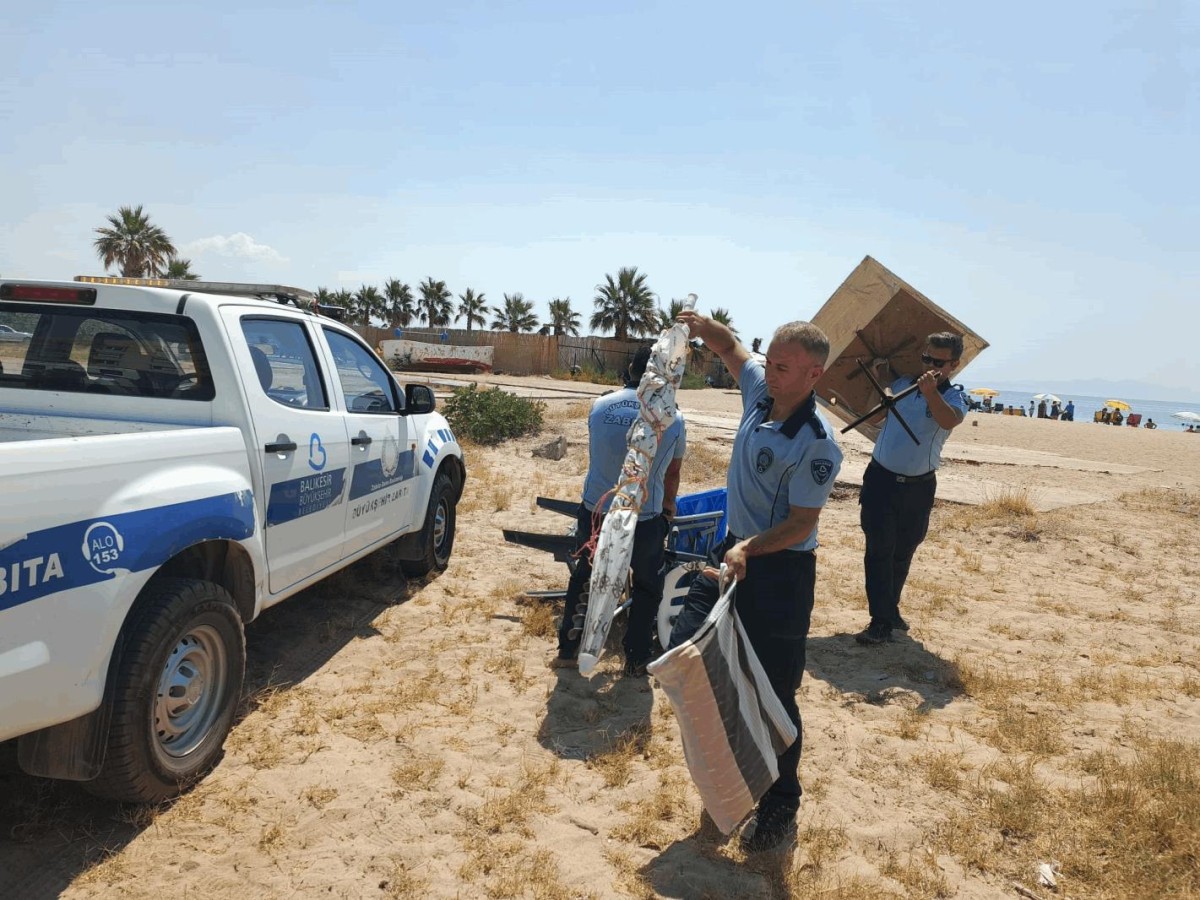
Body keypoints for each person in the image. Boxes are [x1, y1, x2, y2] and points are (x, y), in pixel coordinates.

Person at [668, 311, 842, 853]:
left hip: (779, 573)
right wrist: (701, 327)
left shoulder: (817, 443)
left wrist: (748, 549)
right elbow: (731, 349)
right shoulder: (761, 392)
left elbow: (801, 523)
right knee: (691, 655)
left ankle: (780, 807)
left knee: (774, 694)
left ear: (814, 375)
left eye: (784, 368)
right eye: (771, 363)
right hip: (732, 554)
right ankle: (735, 775)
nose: (771, 374)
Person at [551, 346, 686, 676]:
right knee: (647, 587)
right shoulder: (674, 419)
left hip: (597, 509)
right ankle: (636, 658)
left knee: (584, 575)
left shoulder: (600, 406)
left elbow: (597, 454)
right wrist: (668, 511)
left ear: (631, 369)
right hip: (645, 516)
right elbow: (672, 473)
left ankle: (568, 650)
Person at [855, 333, 969, 646]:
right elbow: (874, 416)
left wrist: (931, 393)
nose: (930, 366)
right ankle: (880, 621)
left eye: (938, 362)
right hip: (880, 480)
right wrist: (879, 379)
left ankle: (890, 610)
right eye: (926, 358)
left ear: (954, 364)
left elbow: (948, 421)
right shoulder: (902, 385)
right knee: (879, 551)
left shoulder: (956, 397)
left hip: (918, 488)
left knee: (903, 551)